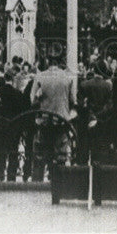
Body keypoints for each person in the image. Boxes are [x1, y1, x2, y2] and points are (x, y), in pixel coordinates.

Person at [30, 46, 76, 181]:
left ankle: (37, 185)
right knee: (60, 155)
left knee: (40, 156)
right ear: (60, 62)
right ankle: (59, 183)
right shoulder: (67, 78)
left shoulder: (40, 77)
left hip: (44, 122)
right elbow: (72, 101)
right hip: (62, 121)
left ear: (48, 61)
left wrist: (41, 100)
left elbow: (32, 101)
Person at [0, 66, 26, 181]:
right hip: (14, 127)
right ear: (13, 79)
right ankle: (11, 176)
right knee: (13, 152)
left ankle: (0, 174)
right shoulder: (18, 94)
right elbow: (22, 110)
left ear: (4, 78)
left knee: (0, 151)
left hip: (0, 126)